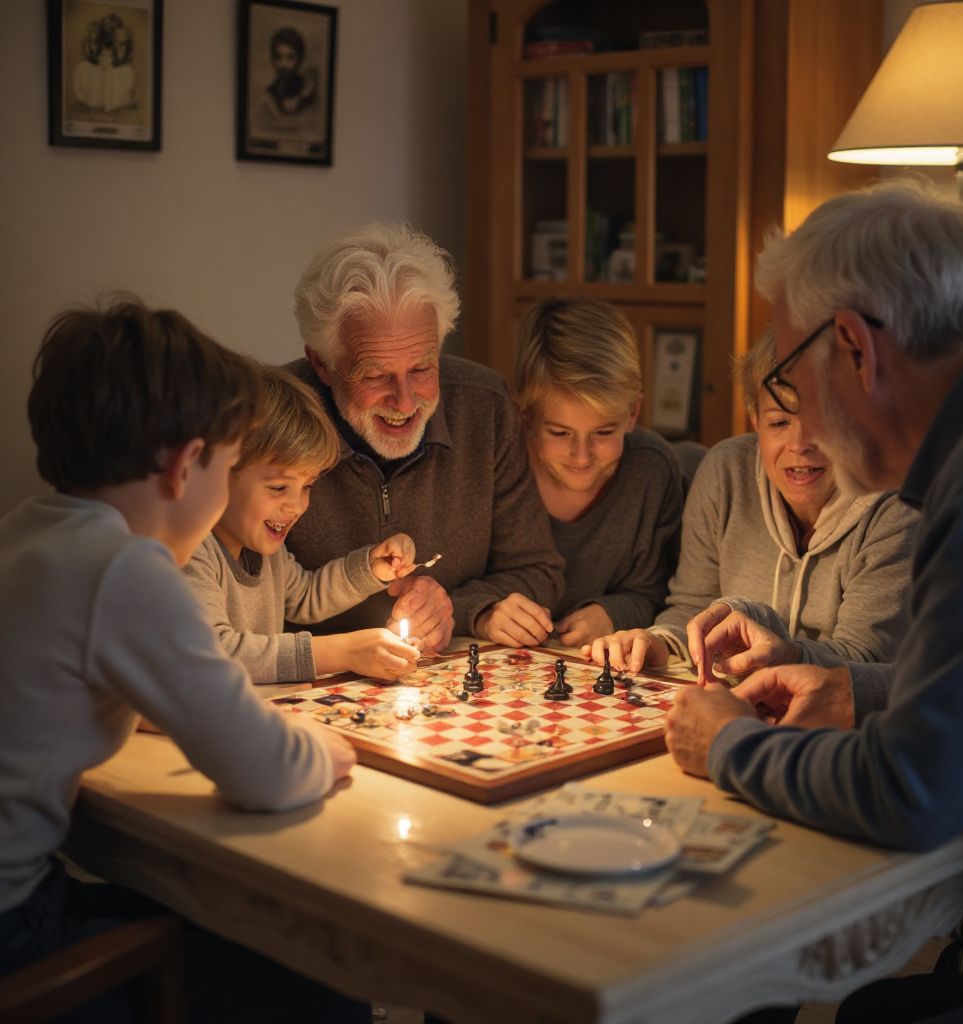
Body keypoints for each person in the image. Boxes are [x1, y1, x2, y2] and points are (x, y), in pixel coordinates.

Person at [664, 178, 963, 1021]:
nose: (798, 425)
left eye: (792, 368)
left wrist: (729, 745)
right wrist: (863, 691)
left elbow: (915, 792)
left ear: (857, 349)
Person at [0, 298, 369, 1023]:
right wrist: (327, 747)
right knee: (321, 975)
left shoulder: (27, 531)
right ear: (183, 465)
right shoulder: (124, 569)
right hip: (18, 940)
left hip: (23, 900)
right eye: (231, 464)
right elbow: (267, 771)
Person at [286, 222, 565, 652]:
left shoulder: (483, 405)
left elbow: (537, 570)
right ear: (322, 365)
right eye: (376, 374)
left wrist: (464, 606)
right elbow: (242, 598)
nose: (404, 401)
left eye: (422, 368)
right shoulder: (269, 420)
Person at [585, 325, 916, 685]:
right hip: (738, 707)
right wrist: (657, 642)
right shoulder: (725, 471)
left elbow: (863, 660)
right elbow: (691, 609)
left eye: (821, 419)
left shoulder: (895, 502)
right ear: (755, 419)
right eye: (779, 422)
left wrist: (784, 652)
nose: (800, 444)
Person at [184, 364, 422, 683]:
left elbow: (308, 596)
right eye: (278, 487)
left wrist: (371, 568)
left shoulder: (267, 554)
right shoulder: (190, 551)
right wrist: (343, 652)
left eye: (307, 486)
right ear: (218, 474)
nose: (297, 506)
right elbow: (216, 651)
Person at [508, 297, 681, 647]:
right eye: (559, 433)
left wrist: (614, 614)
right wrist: (486, 611)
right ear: (526, 417)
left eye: (603, 432)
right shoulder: (500, 464)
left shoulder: (651, 471)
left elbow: (663, 596)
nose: (582, 456)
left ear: (633, 412)